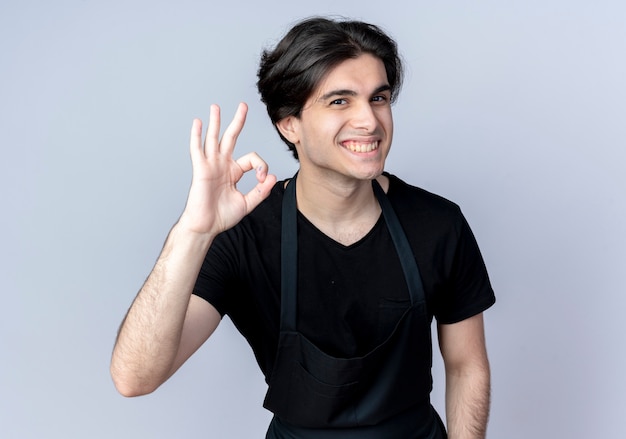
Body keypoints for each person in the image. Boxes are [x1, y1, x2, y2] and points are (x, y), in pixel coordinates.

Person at [110, 17, 496, 439]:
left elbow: (466, 364)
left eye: (379, 98)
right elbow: (135, 378)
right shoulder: (244, 236)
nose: (369, 120)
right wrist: (194, 232)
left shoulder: (438, 224)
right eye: (339, 101)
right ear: (288, 123)